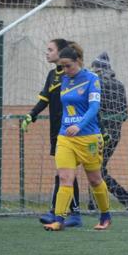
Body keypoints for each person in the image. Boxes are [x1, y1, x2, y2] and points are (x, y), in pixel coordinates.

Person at [43, 46, 113, 231]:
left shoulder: (92, 79)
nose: (65, 70)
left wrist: (79, 125)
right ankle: (59, 219)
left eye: (68, 66)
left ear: (79, 62)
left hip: (88, 138)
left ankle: (105, 216)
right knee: (65, 177)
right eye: (63, 66)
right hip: (65, 137)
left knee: (95, 180)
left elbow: (94, 108)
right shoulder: (65, 80)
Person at [21, 39, 83, 228]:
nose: (46, 53)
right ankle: (62, 211)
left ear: (61, 52)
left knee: (67, 173)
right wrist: (31, 115)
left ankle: (68, 212)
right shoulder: (52, 75)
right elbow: (44, 100)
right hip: (56, 130)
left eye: (50, 50)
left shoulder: (73, 74)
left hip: (72, 130)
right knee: (64, 173)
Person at [90, 52, 128, 210]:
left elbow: (94, 109)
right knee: (97, 167)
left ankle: (125, 197)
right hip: (115, 133)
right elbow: (124, 113)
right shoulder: (119, 85)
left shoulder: (96, 84)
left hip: (100, 132)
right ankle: (94, 202)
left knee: (96, 168)